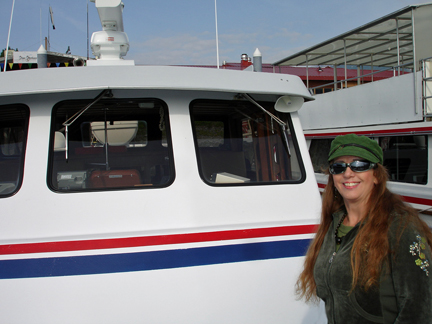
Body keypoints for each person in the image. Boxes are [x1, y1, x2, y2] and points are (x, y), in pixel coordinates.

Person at [296, 134, 432, 323]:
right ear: (332, 177)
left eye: (359, 165)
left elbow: (420, 308)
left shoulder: (401, 226)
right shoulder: (333, 224)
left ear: (376, 175)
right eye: (338, 166)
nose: (348, 173)